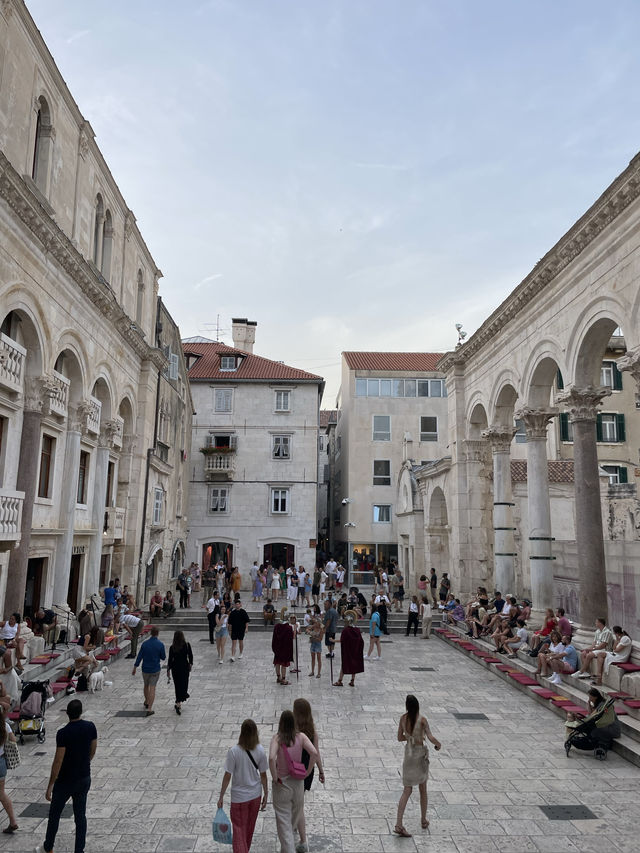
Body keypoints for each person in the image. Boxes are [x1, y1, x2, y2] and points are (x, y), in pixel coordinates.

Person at [37, 699, 97, 853]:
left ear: (67, 714)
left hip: (65, 780)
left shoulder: (63, 733)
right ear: (81, 711)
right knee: (80, 816)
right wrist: (84, 762)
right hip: (83, 777)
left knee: (55, 815)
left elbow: (58, 760)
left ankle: (48, 847)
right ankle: (79, 850)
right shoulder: (90, 727)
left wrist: (51, 784)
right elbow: (93, 750)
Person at [269, 710, 317, 853]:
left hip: (282, 784)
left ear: (281, 723)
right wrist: (308, 772)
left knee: (284, 824)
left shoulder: (277, 738)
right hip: (297, 784)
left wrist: (275, 776)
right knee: (291, 822)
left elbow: (271, 758)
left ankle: (288, 849)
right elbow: (314, 752)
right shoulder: (301, 737)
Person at [394, 694, 441, 837]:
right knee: (423, 789)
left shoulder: (403, 718)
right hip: (419, 756)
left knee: (407, 790)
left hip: (408, 756)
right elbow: (430, 736)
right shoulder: (422, 720)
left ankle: (398, 823)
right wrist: (438, 744)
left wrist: (409, 737)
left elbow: (399, 738)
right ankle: (423, 819)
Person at [218, 719, 268, 853]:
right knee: (248, 831)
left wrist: (221, 796)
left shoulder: (234, 752)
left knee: (239, 831)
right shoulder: (260, 750)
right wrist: (266, 794)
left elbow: (227, 775)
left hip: (239, 799)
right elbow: (263, 775)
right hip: (255, 797)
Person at [293, 698, 325, 852]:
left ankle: (303, 840)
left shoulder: (293, 732)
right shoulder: (313, 732)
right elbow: (316, 753)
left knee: (298, 806)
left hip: (295, 771)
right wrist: (320, 770)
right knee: (298, 801)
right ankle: (295, 824)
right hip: (307, 772)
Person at [131, 625, 165, 716]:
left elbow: (140, 656)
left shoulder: (145, 644)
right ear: (157, 633)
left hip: (145, 669)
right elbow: (163, 657)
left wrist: (135, 667)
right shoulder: (160, 644)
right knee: (152, 687)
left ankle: (146, 701)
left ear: (151, 633)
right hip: (155, 669)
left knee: (146, 685)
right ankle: (150, 708)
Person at [333, 612, 364, 686]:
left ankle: (340, 681)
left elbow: (342, 640)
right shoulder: (357, 630)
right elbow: (361, 641)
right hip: (355, 651)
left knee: (344, 665)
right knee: (354, 665)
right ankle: (352, 681)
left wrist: (332, 640)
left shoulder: (346, 630)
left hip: (347, 652)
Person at [167, 630, 193, 715]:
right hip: (184, 667)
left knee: (177, 685)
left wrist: (168, 670)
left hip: (175, 668)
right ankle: (182, 697)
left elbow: (170, 660)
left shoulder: (172, 647)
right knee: (184, 683)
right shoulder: (187, 645)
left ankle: (178, 702)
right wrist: (190, 664)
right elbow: (190, 656)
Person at [0, 706, 17, 834]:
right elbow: (13, 740)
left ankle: (13, 822)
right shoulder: (5, 726)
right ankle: (12, 821)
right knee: (1, 793)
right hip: (1, 762)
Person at [272, 618, 294, 685]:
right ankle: (283, 679)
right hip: (285, 649)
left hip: (277, 648)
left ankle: (278, 677)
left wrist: (274, 648)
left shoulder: (276, 627)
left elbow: (274, 638)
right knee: (283, 664)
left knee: (277, 663)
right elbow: (291, 638)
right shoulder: (289, 628)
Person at [306, 614, 324, 679]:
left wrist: (313, 637)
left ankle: (319, 673)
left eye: (317, 623)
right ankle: (312, 671)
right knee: (313, 658)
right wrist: (309, 632)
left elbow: (320, 639)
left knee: (319, 658)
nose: (315, 624)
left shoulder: (321, 630)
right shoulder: (313, 627)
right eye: (315, 623)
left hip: (318, 644)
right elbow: (307, 629)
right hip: (313, 644)